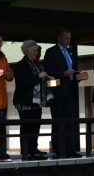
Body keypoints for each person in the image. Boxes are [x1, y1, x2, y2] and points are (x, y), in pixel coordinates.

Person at [44, 27, 80, 158]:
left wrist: (78, 76)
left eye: (69, 38)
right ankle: (58, 150)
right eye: (66, 38)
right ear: (59, 37)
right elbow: (48, 71)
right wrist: (63, 74)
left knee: (70, 122)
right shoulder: (51, 52)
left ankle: (70, 149)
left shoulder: (71, 51)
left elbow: (74, 69)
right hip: (58, 91)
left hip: (70, 90)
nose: (68, 40)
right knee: (58, 121)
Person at [13, 40, 50, 160]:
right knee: (27, 125)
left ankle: (34, 149)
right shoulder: (20, 65)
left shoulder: (38, 65)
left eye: (37, 51)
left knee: (36, 125)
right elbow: (24, 81)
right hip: (25, 100)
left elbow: (41, 79)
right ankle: (26, 151)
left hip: (37, 100)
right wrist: (38, 77)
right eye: (34, 50)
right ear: (27, 51)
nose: (36, 53)